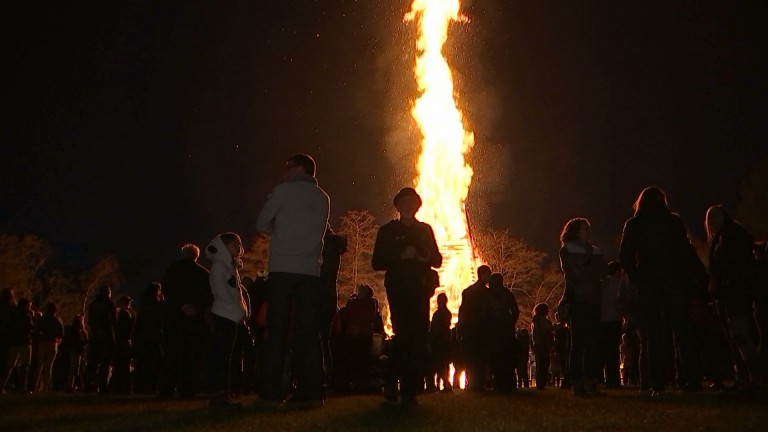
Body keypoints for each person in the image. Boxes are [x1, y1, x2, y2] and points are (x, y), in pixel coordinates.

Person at [255, 153, 330, 408]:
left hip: (283, 268)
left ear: (300, 168)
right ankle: (311, 391)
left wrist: (280, 229)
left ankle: (270, 392)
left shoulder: (283, 191)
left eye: (288, 167)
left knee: (276, 330)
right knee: (308, 331)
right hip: (310, 271)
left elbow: (262, 222)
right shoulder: (322, 198)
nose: (285, 171)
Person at [619, 186, 705, 396]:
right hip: (675, 282)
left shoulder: (634, 224)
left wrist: (637, 278)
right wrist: (697, 278)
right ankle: (690, 379)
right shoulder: (673, 222)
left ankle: (657, 382)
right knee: (683, 333)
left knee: (655, 335)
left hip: (650, 285)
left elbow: (625, 256)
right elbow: (685, 250)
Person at [372, 187, 442, 405]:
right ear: (398, 206)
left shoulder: (424, 230)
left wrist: (423, 256)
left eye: (412, 202)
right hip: (399, 289)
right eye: (404, 202)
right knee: (403, 335)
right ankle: (393, 381)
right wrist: (400, 255)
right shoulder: (388, 231)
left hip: (420, 289)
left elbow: (437, 259)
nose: (408, 206)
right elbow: (377, 262)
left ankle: (410, 390)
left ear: (417, 206)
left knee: (418, 337)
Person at [705, 205, 763, 390]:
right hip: (729, 294)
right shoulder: (727, 236)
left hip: (734, 293)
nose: (713, 220)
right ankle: (747, 376)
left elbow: (735, 266)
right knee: (736, 336)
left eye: (716, 216)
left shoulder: (730, 237)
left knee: (739, 336)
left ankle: (755, 376)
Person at [158, 243, 213, 399]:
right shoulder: (203, 273)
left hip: (174, 317)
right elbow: (209, 295)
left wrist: (179, 305)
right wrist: (195, 307)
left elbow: (166, 289)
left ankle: (166, 389)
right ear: (196, 256)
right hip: (194, 320)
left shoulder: (173, 270)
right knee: (191, 356)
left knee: (171, 355)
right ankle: (188, 388)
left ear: (183, 254)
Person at [205, 232, 249, 408]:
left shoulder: (229, 266)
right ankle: (218, 393)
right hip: (224, 314)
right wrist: (234, 306)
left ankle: (224, 391)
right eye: (234, 244)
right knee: (221, 356)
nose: (238, 247)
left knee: (227, 356)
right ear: (224, 247)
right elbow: (220, 291)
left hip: (230, 315)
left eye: (239, 244)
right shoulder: (219, 266)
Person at [457, 265, 492, 391]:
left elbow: (462, 311)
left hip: (468, 329)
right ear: (483, 274)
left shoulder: (467, 291)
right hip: (480, 329)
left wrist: (460, 327)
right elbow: (486, 311)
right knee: (480, 358)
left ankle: (472, 383)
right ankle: (478, 384)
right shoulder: (486, 293)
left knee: (471, 359)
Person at [487, 272, 520, 392]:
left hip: (499, 332)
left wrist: (509, 323)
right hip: (500, 331)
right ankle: (503, 383)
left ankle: (503, 383)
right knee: (503, 358)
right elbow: (515, 311)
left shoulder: (494, 294)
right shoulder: (505, 294)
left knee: (500, 358)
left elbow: (515, 311)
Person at [133, 282, 165, 394]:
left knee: (143, 363)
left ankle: (140, 386)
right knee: (155, 363)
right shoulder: (157, 305)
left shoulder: (144, 305)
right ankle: (150, 387)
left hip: (143, 338)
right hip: (153, 337)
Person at [83, 285, 117, 393]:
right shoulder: (109, 304)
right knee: (105, 363)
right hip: (106, 335)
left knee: (93, 362)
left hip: (95, 335)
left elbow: (89, 321)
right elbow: (114, 320)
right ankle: (102, 385)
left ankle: (88, 384)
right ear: (108, 293)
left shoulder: (93, 305)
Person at [600, 261, 624, 388]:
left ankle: (600, 377)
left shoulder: (602, 284)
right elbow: (619, 300)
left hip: (602, 320)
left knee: (603, 350)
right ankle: (613, 379)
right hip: (613, 319)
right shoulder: (616, 284)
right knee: (613, 351)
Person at [33, 302, 64, 392]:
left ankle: (36, 386)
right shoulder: (57, 320)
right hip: (53, 343)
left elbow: (36, 331)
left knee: (39, 365)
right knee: (49, 366)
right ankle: (45, 386)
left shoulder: (42, 320)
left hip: (43, 342)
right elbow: (62, 334)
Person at [110, 295, 136, 393]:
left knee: (121, 365)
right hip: (126, 341)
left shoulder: (124, 313)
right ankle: (123, 386)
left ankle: (119, 386)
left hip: (123, 342)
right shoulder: (130, 313)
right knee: (124, 365)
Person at [428, 292, 453, 392]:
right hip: (438, 341)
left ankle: (446, 384)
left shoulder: (444, 313)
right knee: (440, 364)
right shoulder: (439, 313)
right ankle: (442, 384)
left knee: (441, 364)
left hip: (441, 342)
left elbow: (441, 327)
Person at [61, 314, 88, 392]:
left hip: (80, 352)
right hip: (75, 351)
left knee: (80, 369)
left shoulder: (82, 331)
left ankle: (79, 385)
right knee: (74, 369)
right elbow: (77, 341)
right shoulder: (75, 331)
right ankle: (70, 385)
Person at [531, 303, 553, 390]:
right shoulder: (542, 321)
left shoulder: (535, 321)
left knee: (540, 364)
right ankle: (541, 383)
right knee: (544, 364)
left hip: (538, 344)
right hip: (542, 344)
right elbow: (549, 328)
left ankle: (540, 383)